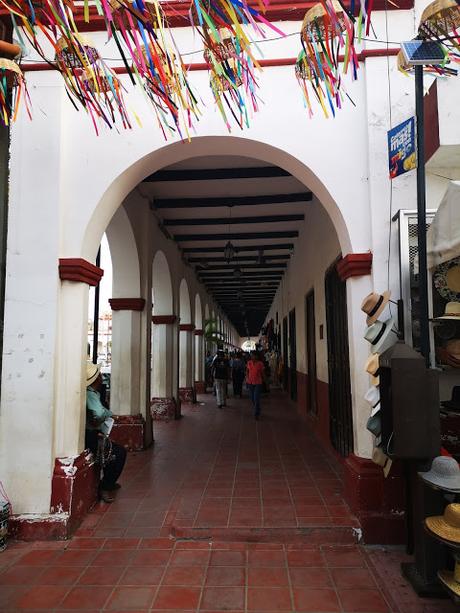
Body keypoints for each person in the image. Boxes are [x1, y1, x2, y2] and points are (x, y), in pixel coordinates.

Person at [86, 362, 127, 503]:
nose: (102, 377)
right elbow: (98, 412)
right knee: (118, 454)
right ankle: (105, 486)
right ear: (96, 379)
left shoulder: (91, 393)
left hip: (90, 434)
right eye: (100, 375)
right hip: (89, 435)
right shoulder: (90, 394)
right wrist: (106, 415)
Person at [246, 351, 266, 420]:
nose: (252, 357)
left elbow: (263, 373)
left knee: (256, 398)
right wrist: (247, 378)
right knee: (252, 399)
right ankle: (258, 408)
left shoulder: (260, 363)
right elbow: (247, 371)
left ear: (257, 356)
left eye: (253, 356)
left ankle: (256, 413)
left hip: (258, 383)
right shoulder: (249, 363)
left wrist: (265, 381)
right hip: (250, 383)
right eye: (251, 356)